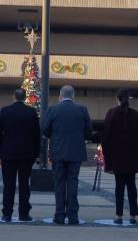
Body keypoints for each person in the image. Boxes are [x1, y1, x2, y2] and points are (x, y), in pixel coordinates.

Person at [41, 85, 92, 226]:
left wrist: (55, 136)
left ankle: (59, 216)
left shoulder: (53, 109)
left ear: (60, 96)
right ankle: (73, 216)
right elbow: (89, 132)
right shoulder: (82, 110)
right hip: (76, 153)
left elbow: (44, 129)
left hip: (57, 152)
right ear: (73, 96)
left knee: (59, 184)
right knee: (73, 183)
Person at [0, 88, 41, 222]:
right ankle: (24, 213)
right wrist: (36, 154)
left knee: (8, 184)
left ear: (13, 97)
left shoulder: (5, 110)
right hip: (27, 154)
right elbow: (36, 135)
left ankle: (7, 213)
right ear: (25, 97)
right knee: (24, 185)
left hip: (8, 153)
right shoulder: (31, 112)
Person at [101, 89, 138, 225]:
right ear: (128, 99)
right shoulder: (135, 114)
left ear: (117, 99)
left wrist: (107, 154)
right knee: (132, 186)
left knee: (119, 187)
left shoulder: (111, 113)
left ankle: (119, 215)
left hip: (117, 157)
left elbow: (106, 136)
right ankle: (133, 215)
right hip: (132, 157)